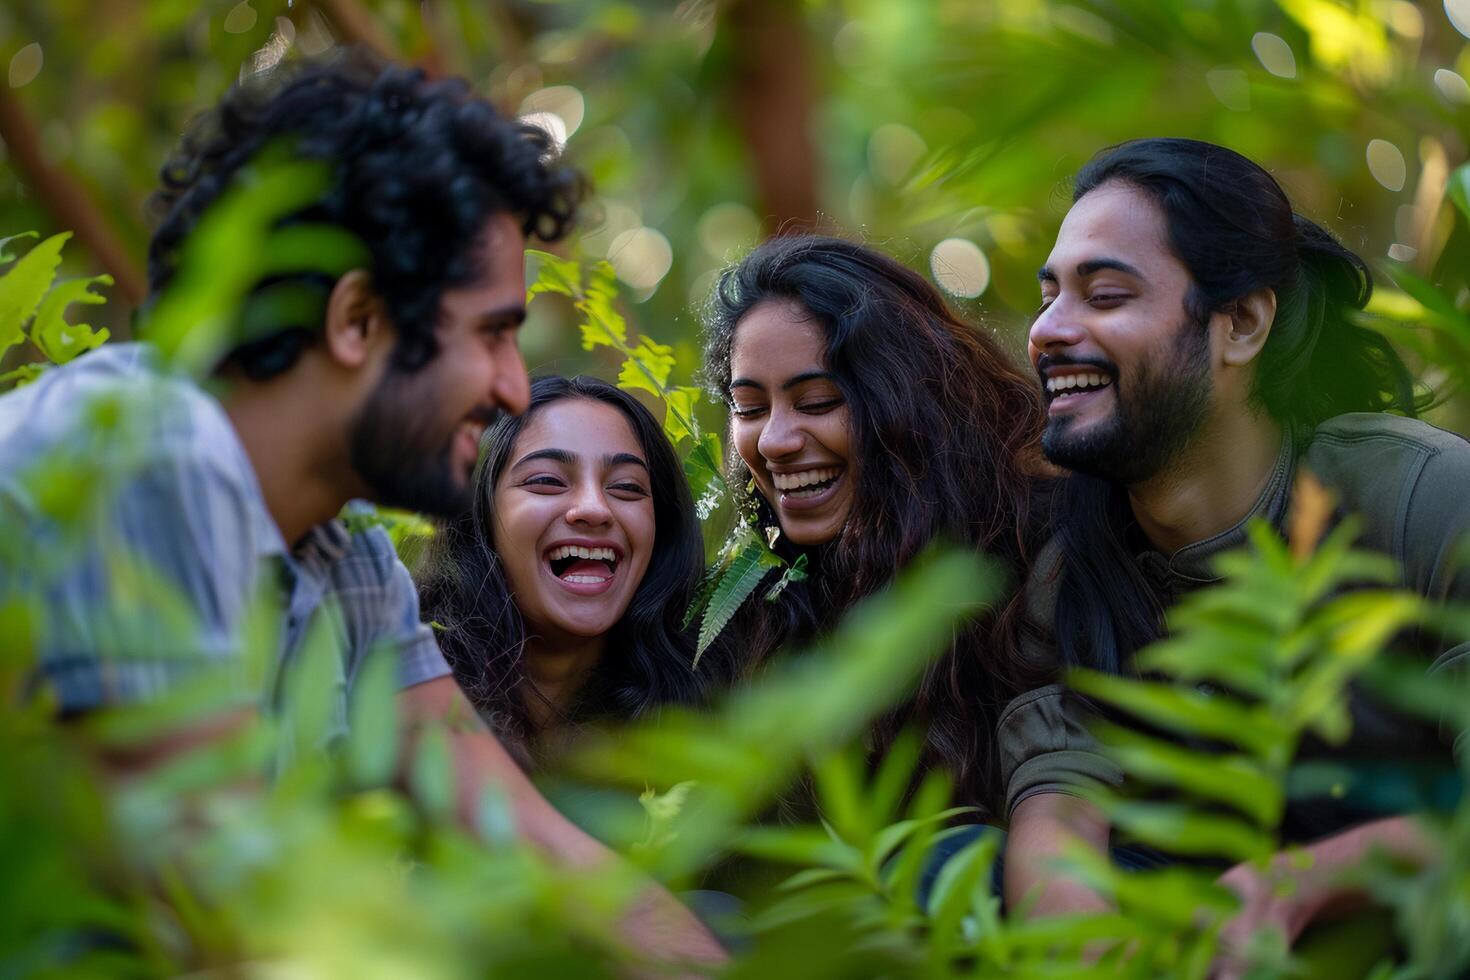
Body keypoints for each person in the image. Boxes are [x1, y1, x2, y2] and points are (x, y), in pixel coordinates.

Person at [0, 51, 723, 965]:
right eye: (494, 334)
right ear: (356, 320)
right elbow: (239, 922)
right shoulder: (145, 458)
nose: (511, 388)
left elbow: (542, 849)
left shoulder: (339, 560)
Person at [1002, 137, 1465, 957]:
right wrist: (1075, 941)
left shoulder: (1422, 498)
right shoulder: (1073, 569)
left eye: (1103, 295)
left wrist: (1292, 885)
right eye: (1048, 297)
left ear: (1242, 323)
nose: (1046, 332)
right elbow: (1059, 810)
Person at [703, 234, 1050, 812]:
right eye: (750, 408)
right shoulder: (756, 606)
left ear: (906, 400)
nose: (775, 441)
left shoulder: (1039, 547)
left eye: (816, 402)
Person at [418, 375, 714, 767]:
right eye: (547, 481)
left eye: (626, 488)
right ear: (479, 516)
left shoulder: (713, 722)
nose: (594, 508)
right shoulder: (391, 689)